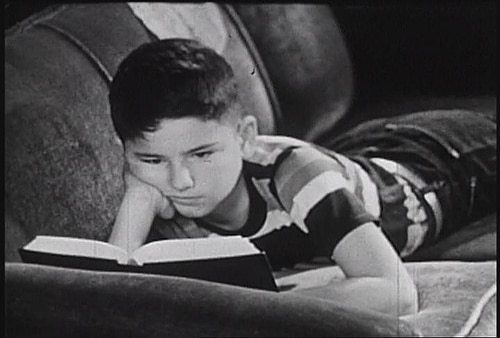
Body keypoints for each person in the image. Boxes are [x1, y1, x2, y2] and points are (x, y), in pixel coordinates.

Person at [107, 38, 497, 316]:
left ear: (244, 137)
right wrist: (137, 202)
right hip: (361, 152)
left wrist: (257, 307)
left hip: (442, 164)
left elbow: (396, 294)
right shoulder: (154, 195)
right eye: (152, 159)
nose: (181, 182)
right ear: (126, 156)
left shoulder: (296, 174)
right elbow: (101, 301)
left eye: (202, 154)